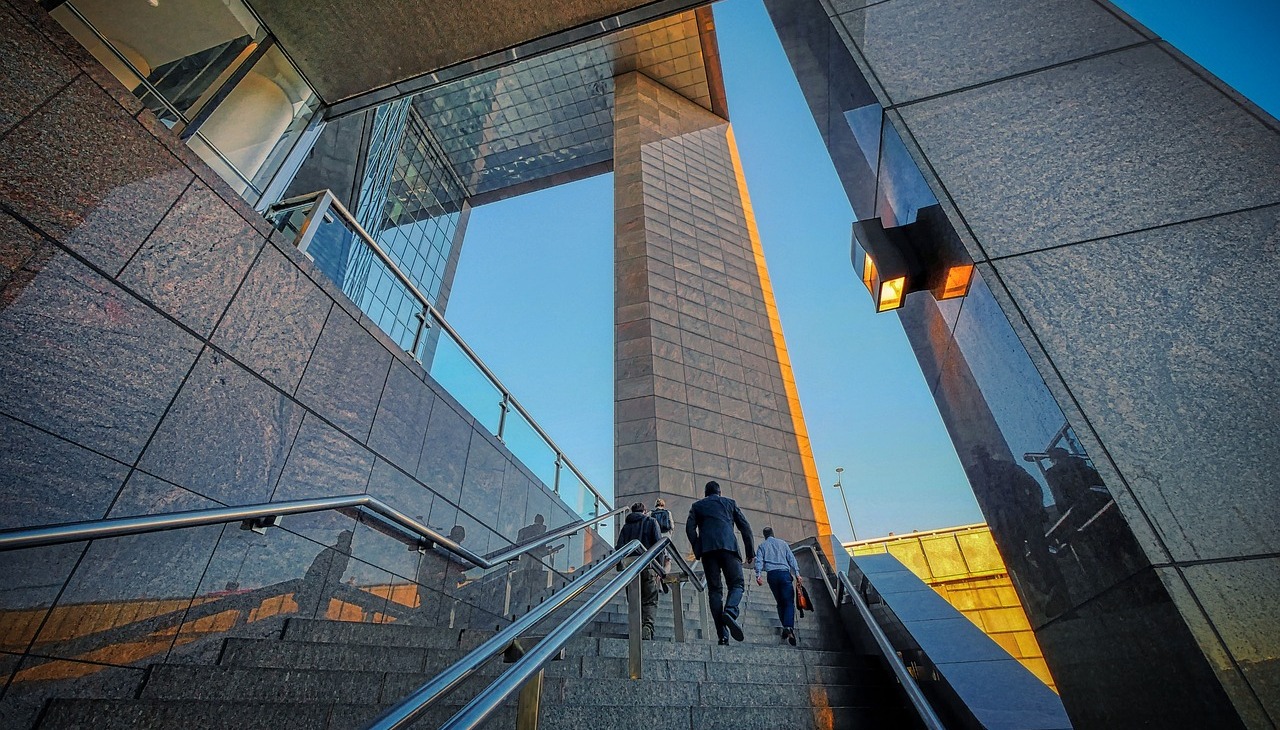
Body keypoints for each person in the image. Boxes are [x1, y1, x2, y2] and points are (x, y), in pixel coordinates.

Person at [686, 480, 754, 645]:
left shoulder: (697, 506)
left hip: (709, 552)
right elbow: (745, 527)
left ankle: (722, 635)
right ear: (719, 492)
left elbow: (689, 528)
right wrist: (750, 552)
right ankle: (730, 611)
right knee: (737, 584)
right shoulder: (729, 503)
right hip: (729, 548)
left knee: (715, 591)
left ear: (705, 493)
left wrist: (698, 549)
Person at [616, 502, 663, 640]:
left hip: (630, 568)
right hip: (648, 565)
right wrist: (659, 568)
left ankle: (635, 628)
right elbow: (658, 544)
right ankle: (647, 627)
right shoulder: (651, 521)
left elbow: (620, 547)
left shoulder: (626, 527)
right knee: (650, 599)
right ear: (645, 511)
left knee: (634, 599)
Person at [753, 525, 801, 646]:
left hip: (772, 575)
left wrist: (758, 575)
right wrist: (797, 573)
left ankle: (785, 627)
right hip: (784, 574)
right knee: (788, 602)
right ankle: (788, 627)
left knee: (780, 603)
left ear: (764, 536)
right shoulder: (783, 543)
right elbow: (791, 558)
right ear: (773, 533)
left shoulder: (762, 546)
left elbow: (759, 560)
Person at [650, 498, 674, 569]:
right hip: (666, 534)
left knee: (657, 552)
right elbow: (672, 525)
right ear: (663, 504)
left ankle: (658, 571)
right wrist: (670, 533)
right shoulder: (668, 512)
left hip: (656, 534)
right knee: (668, 555)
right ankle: (666, 571)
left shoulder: (651, 513)